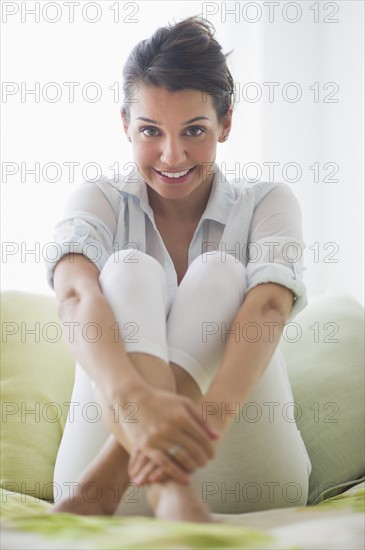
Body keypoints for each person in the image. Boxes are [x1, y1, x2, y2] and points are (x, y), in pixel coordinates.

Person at [46, 15, 312, 523]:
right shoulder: (98, 199)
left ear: (226, 123)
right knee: (126, 269)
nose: (172, 155)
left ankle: (149, 476)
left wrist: (187, 436)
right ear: (124, 124)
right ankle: (165, 488)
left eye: (194, 130)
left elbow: (272, 305)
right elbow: (73, 295)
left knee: (221, 270)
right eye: (150, 131)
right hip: (109, 451)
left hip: (236, 462)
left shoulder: (268, 203)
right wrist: (132, 401)